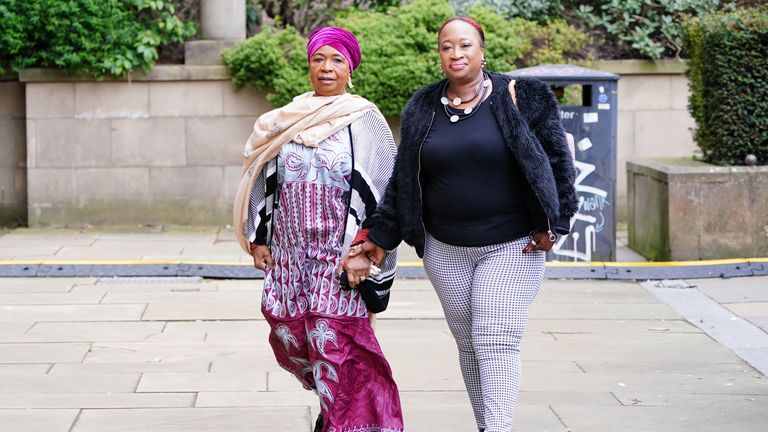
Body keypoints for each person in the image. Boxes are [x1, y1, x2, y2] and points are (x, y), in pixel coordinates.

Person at [345, 16, 578, 432]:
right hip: (445, 249)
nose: (456, 54)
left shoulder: (521, 95)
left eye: (465, 45)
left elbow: (558, 161)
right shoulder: (422, 106)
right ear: (439, 54)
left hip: (512, 243)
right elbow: (404, 181)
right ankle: (486, 424)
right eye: (447, 46)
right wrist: (378, 236)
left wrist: (555, 222)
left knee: (495, 338)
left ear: (482, 50)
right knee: (470, 345)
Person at [233, 26, 403, 432]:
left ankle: (356, 423)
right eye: (318, 59)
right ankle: (335, 413)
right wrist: (258, 238)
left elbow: (386, 188)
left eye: (337, 60)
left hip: (340, 257)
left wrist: (369, 247)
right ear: (309, 64)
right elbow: (261, 175)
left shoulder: (365, 120)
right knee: (294, 336)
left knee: (337, 343)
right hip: (290, 257)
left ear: (351, 68)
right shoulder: (285, 119)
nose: (326, 68)